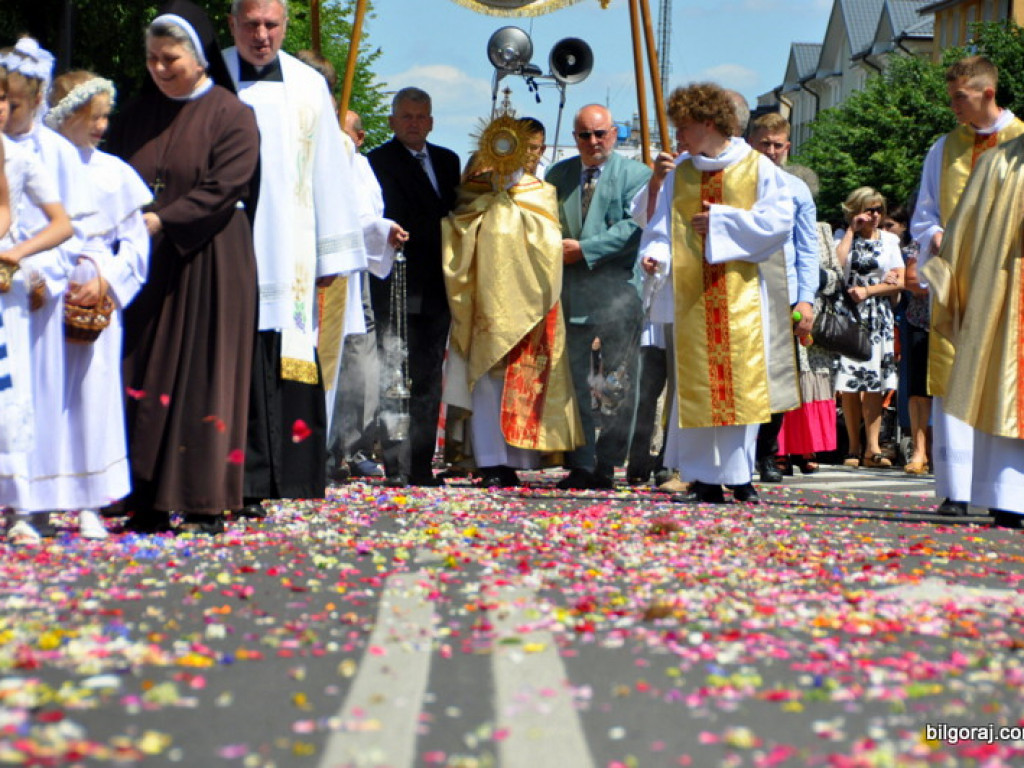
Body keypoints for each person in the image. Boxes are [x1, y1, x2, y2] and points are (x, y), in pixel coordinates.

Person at [106, 2, 260, 534]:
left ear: (198, 59)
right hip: (147, 263)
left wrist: (162, 220)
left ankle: (201, 500)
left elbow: (226, 186)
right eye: (151, 59)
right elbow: (113, 178)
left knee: (203, 376)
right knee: (139, 371)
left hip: (210, 259)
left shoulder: (232, 114)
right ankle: (142, 497)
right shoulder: (136, 117)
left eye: (169, 59)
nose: (159, 69)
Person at [224, 0, 367, 514]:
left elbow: (329, 169)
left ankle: (282, 477)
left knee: (283, 358)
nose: (261, 36)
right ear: (232, 24)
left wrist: (334, 252)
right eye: (251, 24)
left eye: (271, 25)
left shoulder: (308, 85)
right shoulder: (213, 75)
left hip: (290, 249)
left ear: (285, 26)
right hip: (227, 244)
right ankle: (232, 481)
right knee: (230, 363)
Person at [638, 82, 794, 504]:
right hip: (693, 297)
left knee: (738, 386)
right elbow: (658, 229)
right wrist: (655, 257)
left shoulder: (756, 166)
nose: (679, 138)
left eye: (685, 128)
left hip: (738, 295)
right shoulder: (683, 172)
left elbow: (780, 222)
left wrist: (723, 223)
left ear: (710, 123)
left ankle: (739, 474)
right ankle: (704, 477)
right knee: (697, 385)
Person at [441, 110, 583, 487]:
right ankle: (490, 462)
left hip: (528, 305)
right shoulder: (475, 189)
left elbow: (551, 244)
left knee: (518, 381)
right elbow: (455, 234)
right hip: (482, 305)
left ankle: (518, 458)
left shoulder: (542, 193)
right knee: (486, 382)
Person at [909, 55, 1024, 517]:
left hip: (1007, 280)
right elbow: (924, 211)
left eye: (961, 96)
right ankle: (956, 489)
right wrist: (937, 238)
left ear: (987, 93)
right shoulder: (944, 148)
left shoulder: (1018, 143)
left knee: (1004, 378)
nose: (953, 106)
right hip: (957, 285)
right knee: (953, 374)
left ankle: (1006, 494)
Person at [45, 70, 152, 540]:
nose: (101, 126)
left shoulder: (115, 173)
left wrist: (105, 280)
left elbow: (134, 243)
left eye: (106, 116)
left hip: (97, 301)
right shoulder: (37, 167)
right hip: (44, 296)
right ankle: (33, 502)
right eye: (93, 116)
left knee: (95, 396)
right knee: (44, 397)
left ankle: (91, 499)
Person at [1, 37, 95, 543]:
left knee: (32, 398)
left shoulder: (56, 153)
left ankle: (29, 503)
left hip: (34, 293)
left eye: (16, 103)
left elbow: (73, 226)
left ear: (37, 102)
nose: (8, 111)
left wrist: (40, 273)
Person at [546, 104, 652, 490]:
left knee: (618, 381)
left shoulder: (637, 174)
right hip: (571, 293)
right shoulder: (558, 175)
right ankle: (581, 461)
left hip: (618, 291)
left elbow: (635, 227)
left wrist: (585, 249)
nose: (593, 142)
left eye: (601, 133)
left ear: (615, 133)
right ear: (574, 137)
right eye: (584, 135)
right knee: (574, 381)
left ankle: (608, 462)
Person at [367, 87, 460, 487]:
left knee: (427, 376)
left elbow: (458, 213)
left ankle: (422, 463)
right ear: (392, 121)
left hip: (439, 287)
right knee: (394, 374)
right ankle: (397, 464)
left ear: (432, 121)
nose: (414, 123)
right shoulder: (377, 161)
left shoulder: (447, 161)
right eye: (406, 116)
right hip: (398, 283)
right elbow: (393, 216)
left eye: (421, 117)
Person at [327, 109, 408, 481]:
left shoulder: (359, 167)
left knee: (359, 355)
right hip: (316, 270)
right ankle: (324, 446)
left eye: (343, 133)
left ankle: (356, 444)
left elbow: (366, 215)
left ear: (359, 139)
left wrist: (384, 228)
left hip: (352, 272)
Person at [747, 113, 818, 483]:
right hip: (743, 288)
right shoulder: (738, 183)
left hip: (784, 293)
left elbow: (807, 250)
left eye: (778, 145)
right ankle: (739, 453)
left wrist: (805, 299)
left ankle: (767, 454)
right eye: (765, 144)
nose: (771, 151)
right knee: (745, 374)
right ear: (751, 144)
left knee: (779, 377)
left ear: (787, 147)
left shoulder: (797, 190)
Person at [776, 165, 843, 473]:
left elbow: (836, 277)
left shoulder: (823, 230)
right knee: (784, 380)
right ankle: (778, 448)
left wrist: (815, 278)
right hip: (783, 306)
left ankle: (806, 449)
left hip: (812, 312)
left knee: (813, 384)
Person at [835, 188, 904, 470]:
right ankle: (853, 446)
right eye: (868, 209)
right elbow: (834, 266)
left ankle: (872, 447)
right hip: (848, 314)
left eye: (878, 210)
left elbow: (900, 281)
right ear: (854, 210)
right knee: (850, 384)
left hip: (877, 315)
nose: (874, 216)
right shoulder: (842, 238)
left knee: (874, 383)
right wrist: (852, 231)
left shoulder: (889, 240)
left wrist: (870, 290)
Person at [885, 205, 931, 475]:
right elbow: (912, 281)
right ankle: (919, 451)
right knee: (917, 390)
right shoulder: (918, 242)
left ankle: (942, 450)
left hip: (959, 321)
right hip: (919, 319)